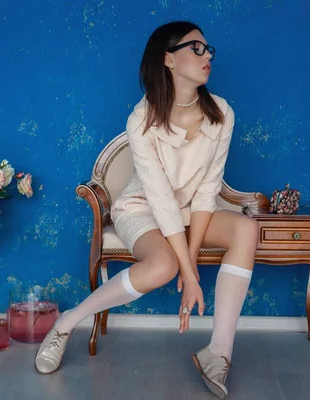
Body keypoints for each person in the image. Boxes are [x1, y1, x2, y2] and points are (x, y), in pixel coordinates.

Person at [35, 21, 259, 399]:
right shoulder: (141, 119)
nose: (208, 57)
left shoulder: (222, 113)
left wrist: (191, 261)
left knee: (246, 229)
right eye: (197, 49)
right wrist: (187, 272)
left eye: (209, 50)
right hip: (142, 208)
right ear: (169, 58)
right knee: (163, 266)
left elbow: (207, 192)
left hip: (190, 211)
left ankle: (218, 353)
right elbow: (158, 197)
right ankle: (67, 322)